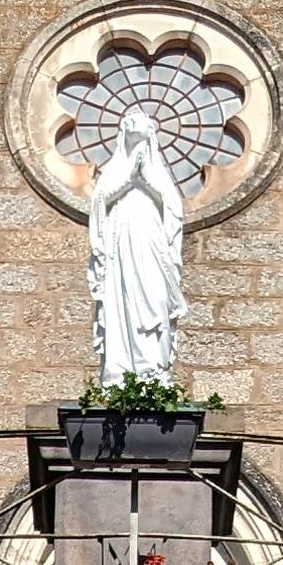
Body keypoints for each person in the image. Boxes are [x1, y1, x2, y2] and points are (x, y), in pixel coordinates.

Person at [86, 110, 186, 381]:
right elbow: (99, 202)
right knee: (121, 300)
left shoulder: (158, 173)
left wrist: (147, 180)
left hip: (151, 242)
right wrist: (129, 178)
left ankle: (154, 371)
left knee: (156, 298)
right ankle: (121, 372)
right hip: (121, 245)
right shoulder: (116, 169)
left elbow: (174, 208)